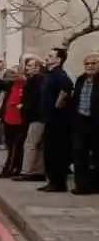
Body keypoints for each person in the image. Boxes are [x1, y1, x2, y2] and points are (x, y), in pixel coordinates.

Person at [40, 47, 76, 193]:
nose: (47, 57)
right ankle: (52, 182)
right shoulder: (50, 74)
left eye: (50, 56)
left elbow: (67, 86)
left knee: (56, 152)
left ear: (58, 59)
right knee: (49, 152)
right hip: (49, 118)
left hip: (57, 121)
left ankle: (58, 184)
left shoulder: (59, 73)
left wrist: (58, 102)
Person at [16, 56, 47, 182]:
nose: (27, 68)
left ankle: (27, 171)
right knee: (38, 145)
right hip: (37, 116)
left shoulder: (38, 81)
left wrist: (23, 106)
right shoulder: (36, 80)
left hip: (37, 117)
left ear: (38, 68)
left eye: (30, 66)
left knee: (30, 144)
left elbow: (36, 99)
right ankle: (38, 171)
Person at [72, 52, 99, 195]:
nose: (90, 66)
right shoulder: (81, 80)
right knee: (79, 154)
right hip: (81, 122)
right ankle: (81, 186)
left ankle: (95, 185)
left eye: (93, 63)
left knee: (97, 156)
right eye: (87, 63)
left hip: (96, 123)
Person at [0, 60, 30, 179]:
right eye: (14, 74)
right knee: (11, 145)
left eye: (19, 73)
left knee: (16, 146)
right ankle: (13, 167)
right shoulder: (10, 87)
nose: (16, 76)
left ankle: (11, 168)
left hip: (20, 120)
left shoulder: (27, 86)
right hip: (9, 119)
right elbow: (5, 102)